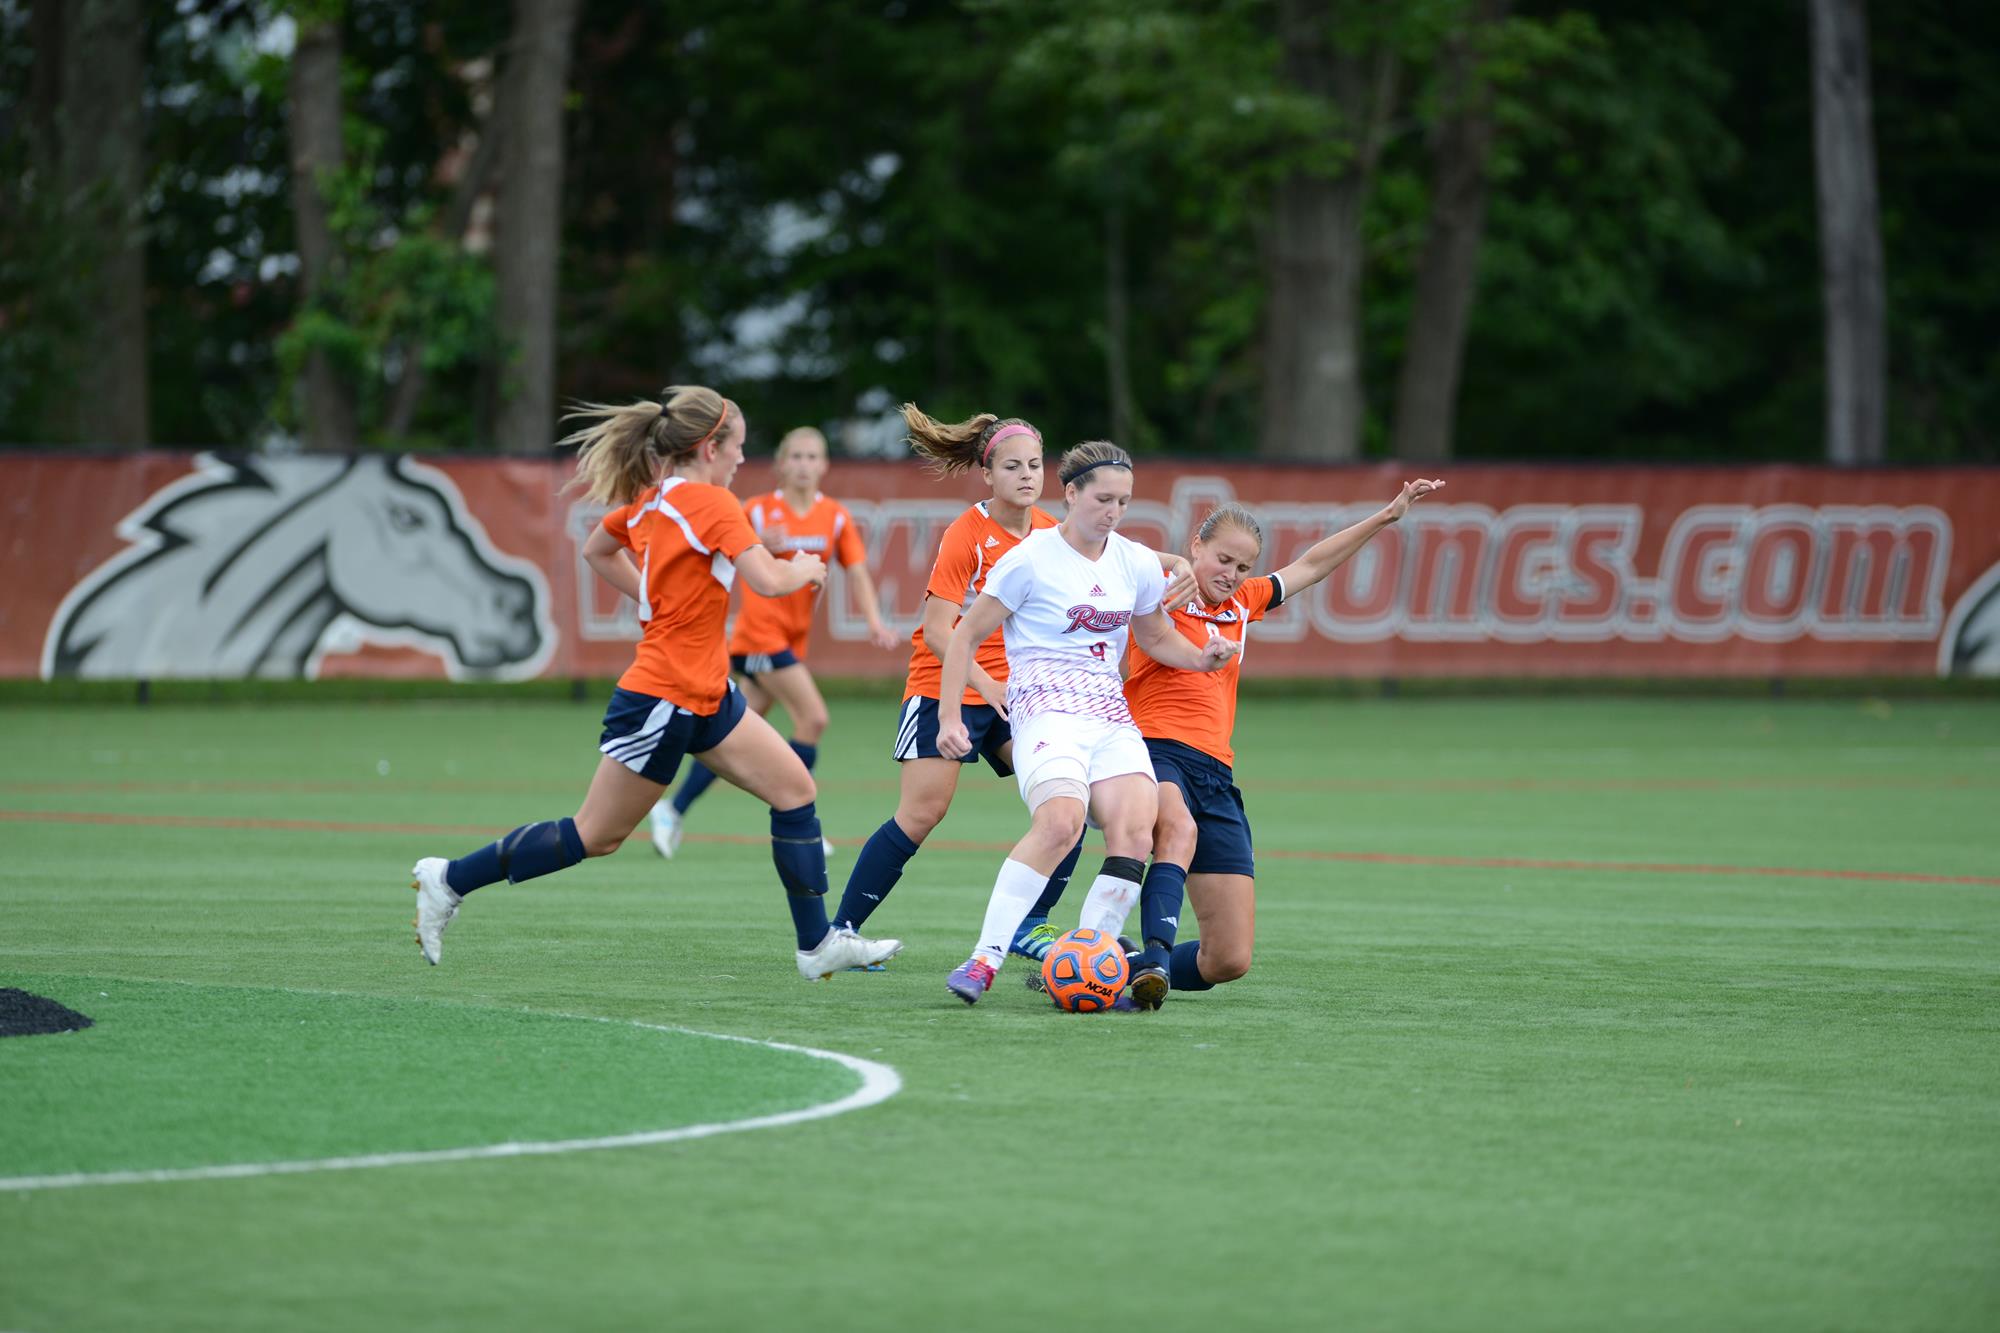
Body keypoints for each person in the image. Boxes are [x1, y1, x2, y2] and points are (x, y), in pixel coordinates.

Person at [408, 386, 901, 980]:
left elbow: (599, 549)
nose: (743, 458)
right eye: (738, 447)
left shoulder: (655, 501)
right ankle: (448, 879)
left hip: (708, 693)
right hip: (664, 698)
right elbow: (769, 582)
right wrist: (803, 566)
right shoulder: (713, 502)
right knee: (595, 835)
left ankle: (816, 945)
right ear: (710, 447)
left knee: (795, 790)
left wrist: (655, 595)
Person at [936, 440, 1240, 1007]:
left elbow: (1155, 636)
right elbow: (965, 634)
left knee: (1136, 832)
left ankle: (1090, 965)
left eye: (1123, 501)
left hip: (1110, 716)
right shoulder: (1030, 559)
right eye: (1103, 499)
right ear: (1071, 493)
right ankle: (984, 958)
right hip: (1046, 710)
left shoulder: (1133, 561)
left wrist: (1203, 659)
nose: (1113, 512)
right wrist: (949, 716)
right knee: (1061, 822)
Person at [1121, 482, 1444, 1002]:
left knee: (1228, 959)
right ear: (1196, 546)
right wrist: (1167, 569)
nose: (1231, 574)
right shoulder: (1158, 586)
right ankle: (1155, 958)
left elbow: (1311, 565)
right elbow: (1104, 562)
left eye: (1243, 566)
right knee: (1177, 828)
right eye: (1223, 559)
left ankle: (1118, 965)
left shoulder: (1243, 602)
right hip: (1153, 750)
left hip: (1215, 772)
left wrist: (1386, 515)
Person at [825, 405, 1088, 955]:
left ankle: (1030, 926)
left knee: (1070, 803)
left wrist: (1171, 565)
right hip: (943, 686)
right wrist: (986, 684)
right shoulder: (966, 534)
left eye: (1035, 465)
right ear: (987, 474)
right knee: (923, 813)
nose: (1027, 475)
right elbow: (938, 632)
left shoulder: (1051, 532)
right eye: (1012, 466)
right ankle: (840, 933)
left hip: (1013, 694)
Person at [648, 426, 900, 860]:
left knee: (728, 736)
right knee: (813, 718)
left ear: (824, 465)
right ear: (781, 464)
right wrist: (758, 544)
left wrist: (875, 621)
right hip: (758, 636)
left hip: (790, 639)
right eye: (795, 456)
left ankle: (672, 808)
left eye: (812, 456)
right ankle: (802, 820)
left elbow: (857, 571)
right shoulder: (757, 511)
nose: (804, 464)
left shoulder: (835, 516)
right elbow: (713, 552)